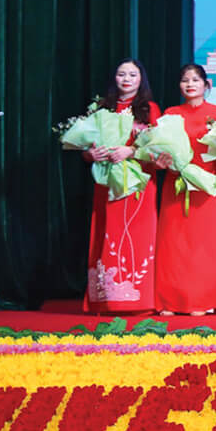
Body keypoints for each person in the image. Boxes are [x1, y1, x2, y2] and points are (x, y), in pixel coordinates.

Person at [83, 59, 162, 313]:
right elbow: (86, 148)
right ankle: (105, 299)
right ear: (114, 78)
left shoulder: (149, 109)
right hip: (107, 182)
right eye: (121, 74)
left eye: (132, 75)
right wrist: (91, 154)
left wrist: (131, 151)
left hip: (139, 183)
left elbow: (159, 148)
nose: (126, 79)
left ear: (141, 80)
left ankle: (139, 299)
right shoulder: (101, 108)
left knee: (136, 236)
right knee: (107, 233)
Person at [156, 63, 216, 315]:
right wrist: (167, 163)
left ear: (206, 84)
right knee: (174, 243)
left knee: (205, 244)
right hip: (177, 184)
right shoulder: (170, 114)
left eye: (195, 80)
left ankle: (203, 299)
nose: (190, 84)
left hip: (206, 184)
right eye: (185, 80)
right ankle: (171, 299)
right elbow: (162, 147)